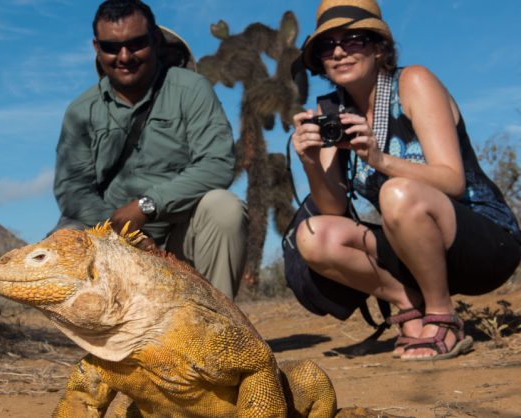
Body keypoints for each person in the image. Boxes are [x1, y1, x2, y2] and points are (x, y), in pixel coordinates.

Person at [290, 0, 521, 360]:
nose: (339, 52)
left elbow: (452, 181)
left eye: (353, 39)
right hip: (414, 248)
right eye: (327, 46)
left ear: (378, 46)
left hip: (483, 242)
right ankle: (407, 303)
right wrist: (309, 162)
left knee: (397, 193)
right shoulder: (331, 112)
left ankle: (443, 316)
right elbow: (334, 209)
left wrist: (379, 159)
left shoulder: (412, 82)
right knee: (314, 234)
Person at [52, 0, 248, 299]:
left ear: (155, 40)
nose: (125, 56)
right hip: (110, 238)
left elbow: (217, 164)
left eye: (136, 44)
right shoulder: (81, 110)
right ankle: (101, 343)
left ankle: (213, 333)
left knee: (224, 208)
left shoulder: (192, 89)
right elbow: (72, 189)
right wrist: (123, 235)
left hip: (182, 236)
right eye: (111, 47)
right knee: (63, 239)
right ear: (96, 47)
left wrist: (147, 205)